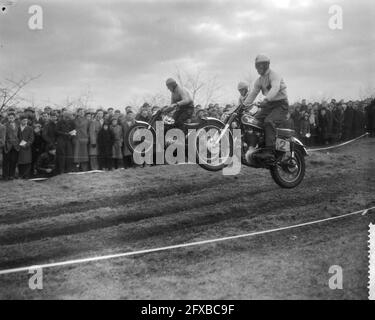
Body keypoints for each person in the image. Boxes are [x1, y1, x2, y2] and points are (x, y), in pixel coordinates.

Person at [243, 54, 289, 159]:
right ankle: (253, 147)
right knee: (252, 122)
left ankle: (270, 151)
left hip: (281, 104)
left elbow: (275, 88)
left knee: (269, 121)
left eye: (261, 66)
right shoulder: (259, 80)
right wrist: (243, 106)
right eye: (257, 66)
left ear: (266, 65)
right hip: (268, 105)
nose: (258, 68)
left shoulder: (274, 75)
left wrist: (266, 99)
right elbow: (253, 94)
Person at [2, 113, 19, 180]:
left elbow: (19, 135)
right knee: (6, 161)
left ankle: (11, 175)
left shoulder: (17, 125)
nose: (11, 119)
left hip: (15, 146)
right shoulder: (4, 125)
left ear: (14, 118)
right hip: (7, 146)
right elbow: (3, 136)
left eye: (12, 117)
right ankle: (5, 176)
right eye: (9, 117)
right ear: (7, 118)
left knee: (13, 161)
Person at [18, 115, 34, 179]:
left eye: (26, 120)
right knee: (20, 161)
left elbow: (31, 138)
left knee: (27, 161)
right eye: (24, 120)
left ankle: (26, 175)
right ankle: (20, 174)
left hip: (27, 147)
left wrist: (27, 144)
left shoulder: (30, 128)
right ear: (20, 121)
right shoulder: (18, 128)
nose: (25, 122)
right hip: (19, 147)